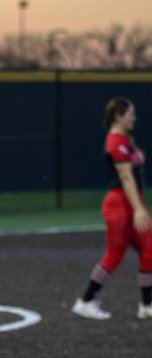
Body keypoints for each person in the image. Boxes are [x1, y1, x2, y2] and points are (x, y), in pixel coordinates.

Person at [72, 97, 152, 321]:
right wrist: (138, 209)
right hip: (119, 205)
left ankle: (147, 305)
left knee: (149, 249)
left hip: (130, 203)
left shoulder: (125, 140)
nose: (134, 118)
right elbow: (126, 177)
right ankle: (85, 301)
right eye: (130, 114)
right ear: (118, 116)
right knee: (114, 254)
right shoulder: (116, 142)